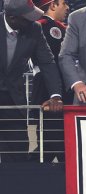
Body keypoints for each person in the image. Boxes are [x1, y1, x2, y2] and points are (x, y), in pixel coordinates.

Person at [0, 0, 62, 162]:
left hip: (13, 100)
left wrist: (55, 94)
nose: (32, 20)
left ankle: (16, 187)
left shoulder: (34, 29)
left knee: (17, 154)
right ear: (12, 18)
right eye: (27, 18)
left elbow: (47, 62)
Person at [30, 0, 69, 162]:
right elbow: (54, 61)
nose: (67, 8)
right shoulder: (48, 27)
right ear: (53, 5)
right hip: (50, 87)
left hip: (53, 86)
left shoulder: (56, 27)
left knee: (54, 137)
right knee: (53, 138)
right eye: (64, 4)